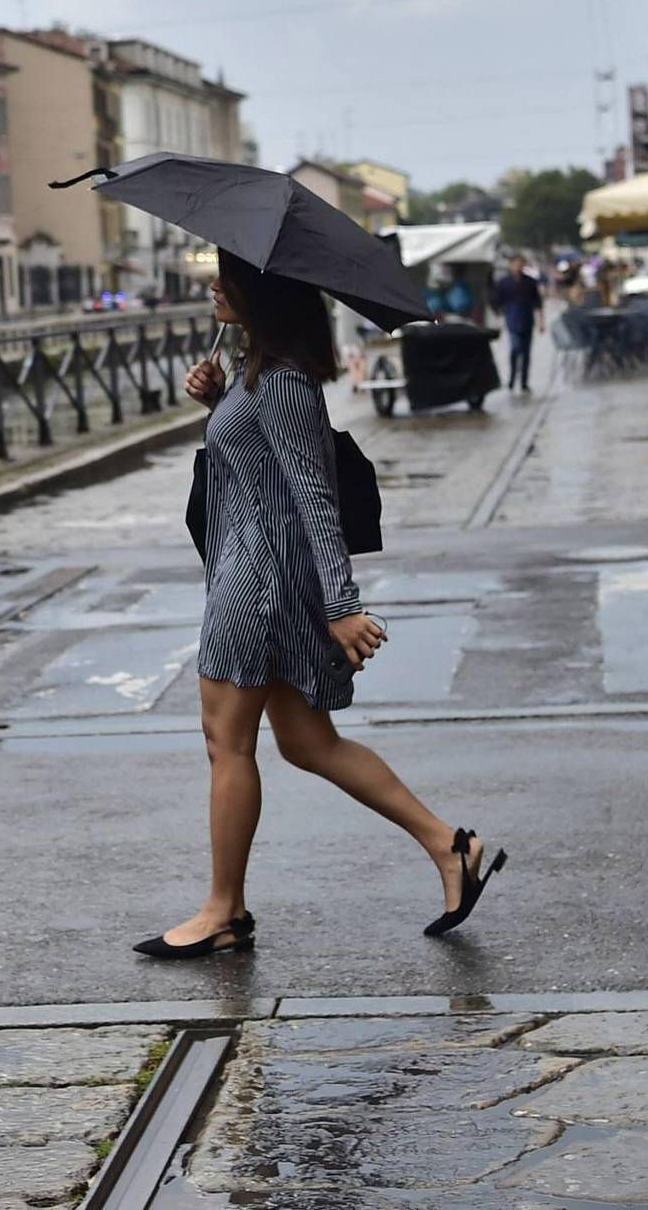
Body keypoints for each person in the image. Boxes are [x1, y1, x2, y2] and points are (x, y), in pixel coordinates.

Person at [136, 249, 507, 960]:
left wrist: (342, 605)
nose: (215, 287)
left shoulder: (282, 384)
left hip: (259, 583)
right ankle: (450, 846)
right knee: (310, 743)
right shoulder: (256, 376)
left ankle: (223, 911)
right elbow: (260, 470)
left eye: (228, 276)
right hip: (256, 571)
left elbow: (314, 495)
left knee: (227, 743)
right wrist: (217, 405)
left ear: (264, 294)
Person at [492, 255, 545, 393]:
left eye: (521, 264)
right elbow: (498, 303)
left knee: (526, 353)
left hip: (527, 319)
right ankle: (512, 379)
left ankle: (524, 382)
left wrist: (541, 322)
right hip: (512, 320)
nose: (518, 267)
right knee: (515, 349)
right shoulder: (504, 283)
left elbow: (538, 303)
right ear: (511, 265)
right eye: (516, 264)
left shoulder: (530, 282)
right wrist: (498, 321)